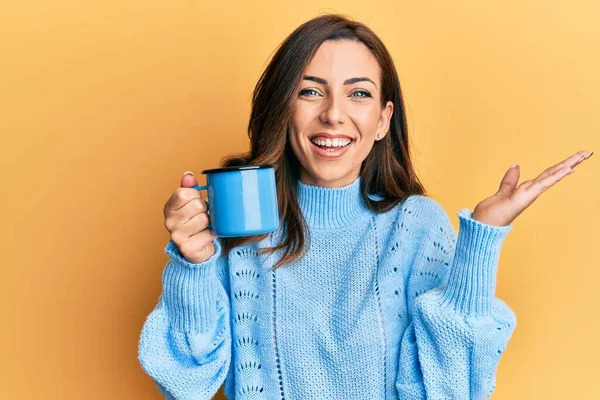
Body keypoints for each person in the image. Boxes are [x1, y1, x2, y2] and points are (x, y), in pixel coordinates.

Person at [137, 13, 592, 400]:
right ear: (282, 108)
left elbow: (453, 389)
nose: (334, 113)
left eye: (359, 93)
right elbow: (185, 381)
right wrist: (193, 264)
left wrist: (481, 242)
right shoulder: (238, 220)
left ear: (382, 120)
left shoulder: (415, 225)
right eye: (310, 91)